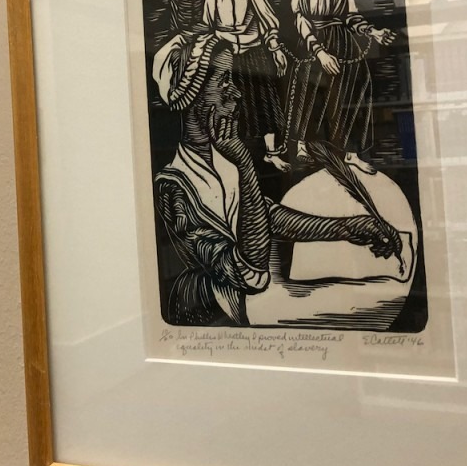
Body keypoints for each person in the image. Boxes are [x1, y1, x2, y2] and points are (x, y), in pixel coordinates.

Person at [151, 32, 401, 326]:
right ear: (193, 98)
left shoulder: (221, 162)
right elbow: (250, 274)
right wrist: (245, 164)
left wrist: (349, 227)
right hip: (215, 322)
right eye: (223, 82)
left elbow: (265, 215)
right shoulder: (172, 186)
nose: (236, 93)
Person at [283, 0, 396, 173]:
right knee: (310, 90)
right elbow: (299, 17)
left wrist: (372, 32)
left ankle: (350, 153)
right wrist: (319, 52)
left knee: (357, 85)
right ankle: (302, 147)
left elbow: (350, 13)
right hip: (314, 39)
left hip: (341, 38)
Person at [202, 0, 290, 171]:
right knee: (232, 106)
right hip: (226, 55)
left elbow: (266, 16)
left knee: (264, 103)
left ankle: (271, 153)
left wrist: (275, 48)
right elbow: (208, 24)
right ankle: (238, 159)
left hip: (254, 52)